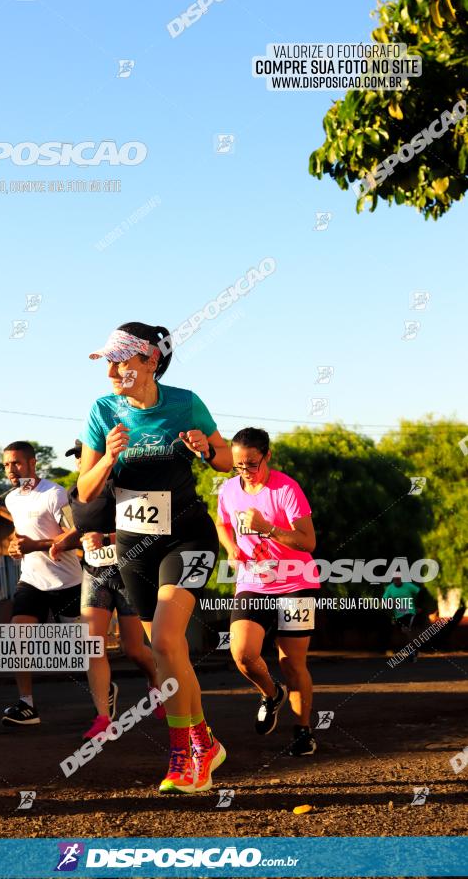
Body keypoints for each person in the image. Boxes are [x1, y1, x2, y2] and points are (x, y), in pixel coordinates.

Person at [78, 322, 233, 793]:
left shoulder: (184, 402)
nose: (110, 370)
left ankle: (184, 755)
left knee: (165, 640)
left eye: (120, 360)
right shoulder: (102, 410)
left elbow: (226, 459)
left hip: (187, 537)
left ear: (149, 360)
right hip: (134, 546)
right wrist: (107, 457)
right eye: (107, 360)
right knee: (165, 652)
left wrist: (206, 449)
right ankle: (204, 741)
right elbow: (84, 492)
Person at [216, 427, 319, 757]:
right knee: (243, 654)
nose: (245, 471)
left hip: (295, 582)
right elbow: (222, 523)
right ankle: (272, 693)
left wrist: (269, 529)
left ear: (267, 456)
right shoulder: (229, 490)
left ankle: (303, 731)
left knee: (292, 663)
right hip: (252, 582)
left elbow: (307, 541)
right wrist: (231, 548)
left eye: (251, 464)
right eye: (238, 465)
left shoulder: (286, 489)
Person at [51, 439, 164, 740]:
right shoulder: (77, 492)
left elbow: (150, 528)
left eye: (84, 455)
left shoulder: (125, 484)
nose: (79, 461)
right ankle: (103, 717)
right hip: (95, 575)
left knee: (133, 648)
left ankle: (156, 681)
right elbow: (84, 528)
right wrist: (68, 541)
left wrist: (110, 537)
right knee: (92, 646)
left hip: (128, 573)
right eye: (76, 457)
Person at [1, 441, 82, 726]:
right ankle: (27, 705)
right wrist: (15, 545)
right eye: (7, 465)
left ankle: (104, 688)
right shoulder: (12, 499)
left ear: (33, 463)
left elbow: (76, 535)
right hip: (32, 580)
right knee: (18, 635)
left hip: (67, 581)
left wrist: (36, 545)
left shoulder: (55, 494)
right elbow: (21, 533)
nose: (11, 469)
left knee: (80, 655)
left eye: (17, 463)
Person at [383, 574, 422, 662]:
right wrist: (390, 602)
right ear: (393, 579)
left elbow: (419, 592)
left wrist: (418, 606)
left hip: (409, 612)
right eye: (395, 579)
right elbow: (384, 600)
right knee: (405, 632)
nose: (397, 580)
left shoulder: (408, 586)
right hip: (398, 615)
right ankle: (414, 648)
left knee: (406, 630)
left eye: (399, 579)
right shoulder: (390, 588)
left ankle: (413, 652)